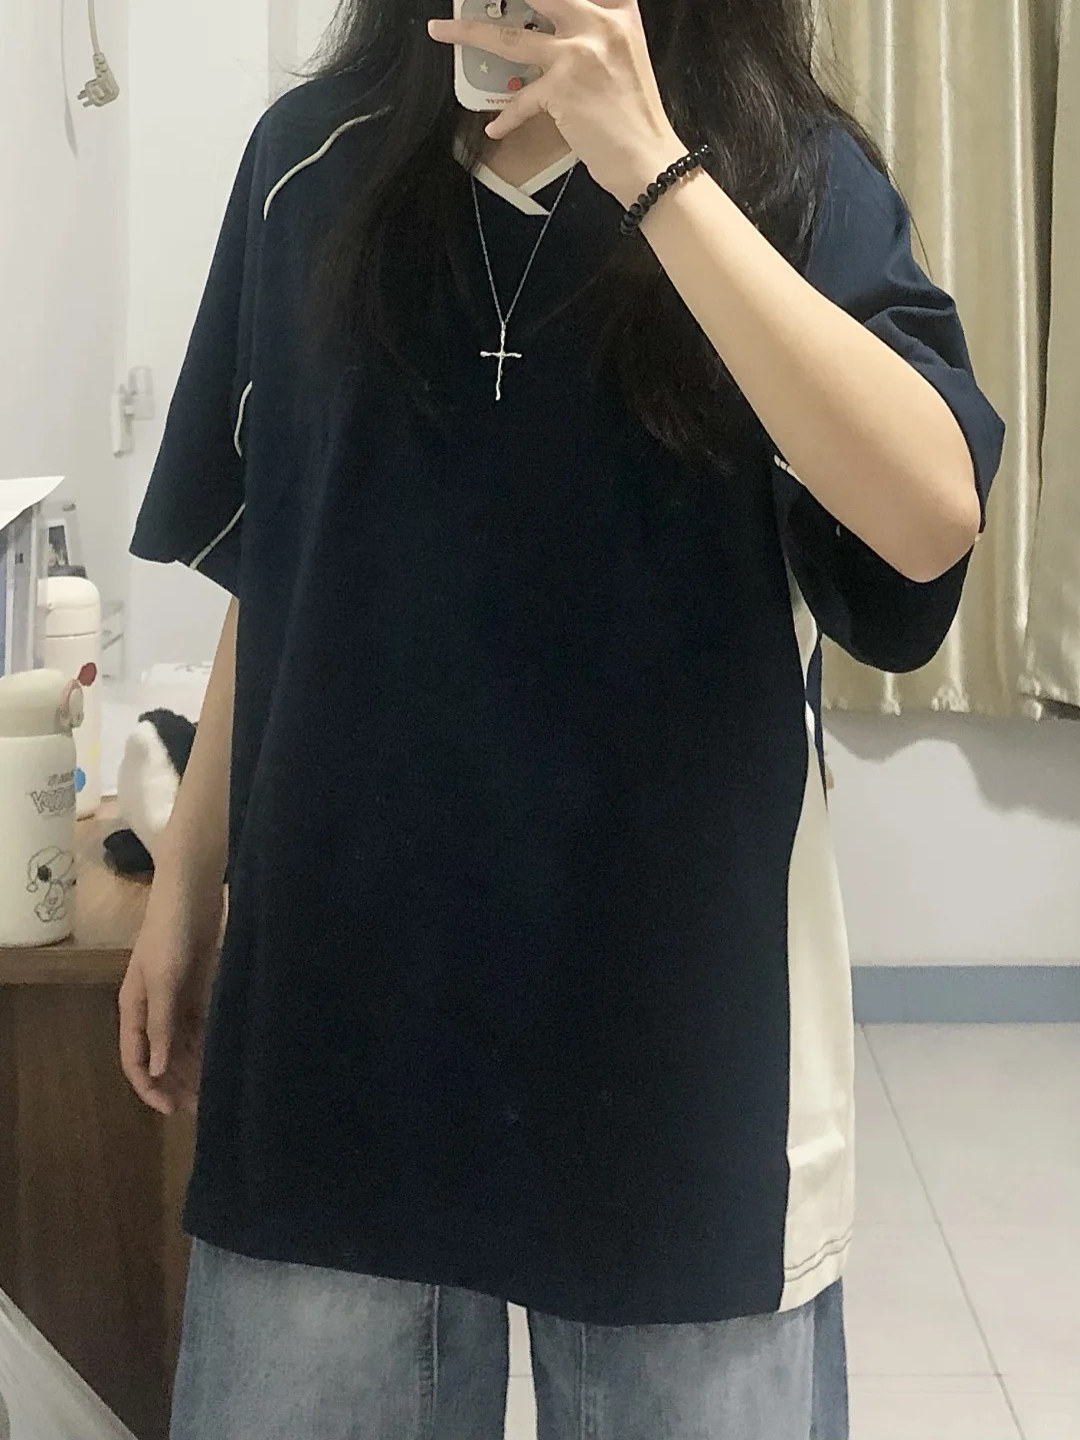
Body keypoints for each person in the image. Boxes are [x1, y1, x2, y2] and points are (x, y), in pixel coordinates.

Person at [120, 1, 1005, 1436]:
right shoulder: (309, 164)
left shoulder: (784, 173)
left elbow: (928, 518)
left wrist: (651, 168)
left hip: (678, 1040)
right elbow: (287, 557)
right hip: (345, 1010)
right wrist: (187, 886)